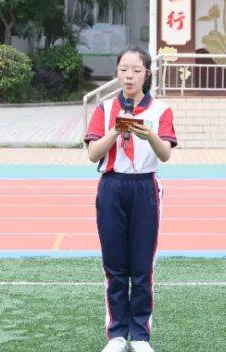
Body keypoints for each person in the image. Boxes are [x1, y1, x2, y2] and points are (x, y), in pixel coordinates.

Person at [85, 46, 178, 352]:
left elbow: (164, 154)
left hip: (145, 189)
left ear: (147, 74)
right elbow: (92, 154)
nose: (129, 76)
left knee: (141, 266)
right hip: (112, 186)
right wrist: (116, 130)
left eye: (136, 70)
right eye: (124, 69)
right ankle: (116, 334)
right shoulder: (104, 109)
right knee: (114, 265)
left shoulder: (160, 110)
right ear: (117, 72)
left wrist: (147, 134)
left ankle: (139, 334)